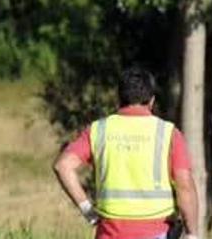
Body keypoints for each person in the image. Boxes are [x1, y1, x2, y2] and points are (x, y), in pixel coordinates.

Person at [53, 67, 199, 239]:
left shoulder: (99, 130)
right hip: (156, 232)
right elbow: (185, 187)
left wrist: (88, 210)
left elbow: (62, 166)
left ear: (119, 98)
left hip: (109, 232)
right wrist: (192, 234)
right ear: (151, 100)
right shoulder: (168, 133)